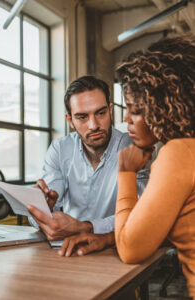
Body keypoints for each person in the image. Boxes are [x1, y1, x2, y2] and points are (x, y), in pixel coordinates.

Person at [58, 35, 195, 298]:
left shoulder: (176, 153)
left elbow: (131, 250)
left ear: (161, 107)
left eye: (134, 110)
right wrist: (107, 239)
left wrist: (126, 172)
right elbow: (167, 228)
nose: (125, 119)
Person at [27, 75, 148, 243]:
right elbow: (44, 214)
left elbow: (142, 214)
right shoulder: (60, 149)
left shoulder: (135, 146)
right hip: (69, 246)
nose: (94, 125)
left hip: (117, 247)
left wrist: (88, 228)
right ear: (70, 120)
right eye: (82, 117)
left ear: (110, 110)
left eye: (101, 113)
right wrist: (42, 206)